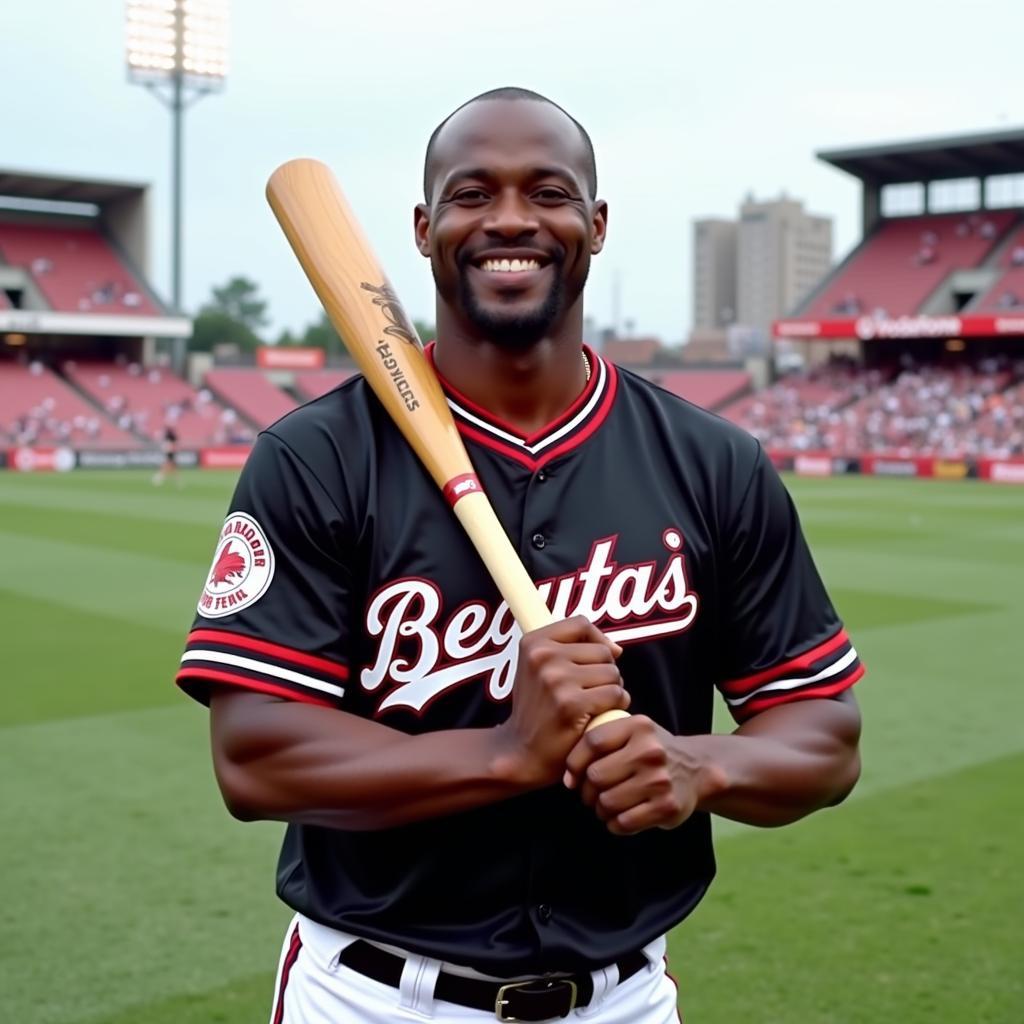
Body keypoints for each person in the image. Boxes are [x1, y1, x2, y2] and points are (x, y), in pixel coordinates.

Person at [176, 87, 864, 1023]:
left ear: (597, 222)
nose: (509, 218)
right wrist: (505, 754)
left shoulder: (714, 463)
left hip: (624, 998)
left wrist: (700, 768)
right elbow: (255, 761)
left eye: (547, 191)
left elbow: (825, 737)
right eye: (471, 194)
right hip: (375, 998)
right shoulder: (317, 457)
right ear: (423, 228)